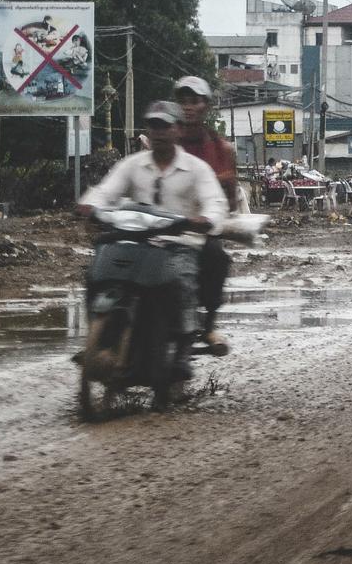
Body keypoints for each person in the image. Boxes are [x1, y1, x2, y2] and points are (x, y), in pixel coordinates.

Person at [77, 101, 228, 380]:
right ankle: (96, 338)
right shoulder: (132, 165)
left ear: (179, 130)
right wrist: (90, 206)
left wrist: (204, 219)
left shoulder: (197, 170)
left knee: (181, 284)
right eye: (154, 125)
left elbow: (215, 203)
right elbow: (105, 191)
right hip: (134, 241)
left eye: (165, 125)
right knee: (96, 273)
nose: (158, 131)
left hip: (179, 244)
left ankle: (183, 348)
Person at [174, 76, 237, 357]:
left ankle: (209, 324)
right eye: (183, 101)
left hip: (201, 226)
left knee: (217, 258)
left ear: (206, 106)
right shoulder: (164, 138)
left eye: (194, 101)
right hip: (162, 222)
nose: (188, 107)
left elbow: (230, 198)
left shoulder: (221, 148)